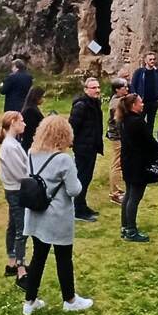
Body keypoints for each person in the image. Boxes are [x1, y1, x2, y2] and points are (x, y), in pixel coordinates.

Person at [23, 115, 93, 315]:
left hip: (36, 213)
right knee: (64, 258)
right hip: (57, 216)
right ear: (64, 134)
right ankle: (70, 299)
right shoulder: (64, 159)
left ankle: (30, 301)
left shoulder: (31, 153)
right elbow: (74, 190)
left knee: (38, 257)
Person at [117, 93, 158, 242]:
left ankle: (125, 226)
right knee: (134, 197)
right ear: (133, 105)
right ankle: (131, 230)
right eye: (140, 102)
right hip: (138, 164)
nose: (142, 104)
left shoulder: (124, 120)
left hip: (128, 162)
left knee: (129, 194)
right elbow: (149, 142)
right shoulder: (137, 122)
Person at [0, 111, 29, 290]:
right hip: (16, 191)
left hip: (14, 190)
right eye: (22, 121)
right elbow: (20, 173)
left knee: (13, 226)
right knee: (21, 230)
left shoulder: (12, 144)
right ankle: (20, 269)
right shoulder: (10, 146)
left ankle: (11, 263)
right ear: (13, 122)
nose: (24, 124)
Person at [69, 77, 103, 222]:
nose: (97, 90)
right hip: (83, 148)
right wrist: (73, 142)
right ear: (86, 90)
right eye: (93, 88)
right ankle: (78, 209)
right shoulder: (81, 106)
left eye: (98, 87)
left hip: (91, 146)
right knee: (82, 178)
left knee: (87, 178)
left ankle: (82, 205)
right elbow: (72, 126)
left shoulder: (95, 103)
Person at [106, 78, 128, 205]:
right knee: (117, 164)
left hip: (120, 136)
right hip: (117, 137)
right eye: (124, 87)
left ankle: (118, 189)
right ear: (117, 89)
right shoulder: (116, 104)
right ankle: (115, 193)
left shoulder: (120, 100)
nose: (127, 89)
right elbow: (118, 122)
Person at [131, 51, 158, 133]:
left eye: (154, 59)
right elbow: (133, 85)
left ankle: (149, 139)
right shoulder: (139, 72)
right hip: (141, 101)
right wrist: (136, 98)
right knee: (139, 121)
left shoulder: (157, 73)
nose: (152, 61)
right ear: (145, 61)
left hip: (153, 102)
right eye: (150, 59)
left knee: (151, 122)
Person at [21, 87, 45, 152]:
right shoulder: (30, 110)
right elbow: (33, 127)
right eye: (42, 97)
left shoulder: (31, 108)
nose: (43, 99)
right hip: (30, 143)